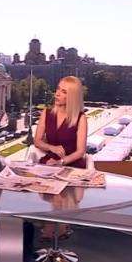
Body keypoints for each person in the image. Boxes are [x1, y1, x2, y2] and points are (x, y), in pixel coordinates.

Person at [33, 76, 88, 242]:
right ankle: (61, 225)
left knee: (58, 190)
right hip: (50, 161)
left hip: (72, 163)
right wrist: (51, 147)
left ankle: (50, 226)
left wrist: (61, 162)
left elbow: (80, 151)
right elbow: (37, 141)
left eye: (63, 92)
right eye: (58, 89)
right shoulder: (47, 113)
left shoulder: (80, 118)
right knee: (49, 183)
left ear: (72, 97)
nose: (57, 94)